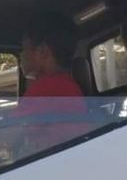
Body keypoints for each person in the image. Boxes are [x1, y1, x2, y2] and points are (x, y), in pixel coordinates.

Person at [11, 11, 90, 151]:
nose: (21, 55)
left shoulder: (48, 87)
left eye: (24, 48)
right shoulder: (67, 86)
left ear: (42, 51)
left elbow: (10, 133)